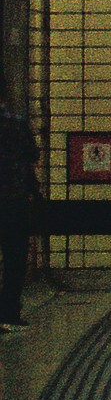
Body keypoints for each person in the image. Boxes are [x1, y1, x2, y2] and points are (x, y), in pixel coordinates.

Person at [0, 92, 40, 328]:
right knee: (15, 259)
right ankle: (8, 312)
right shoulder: (16, 125)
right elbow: (32, 156)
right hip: (13, 202)